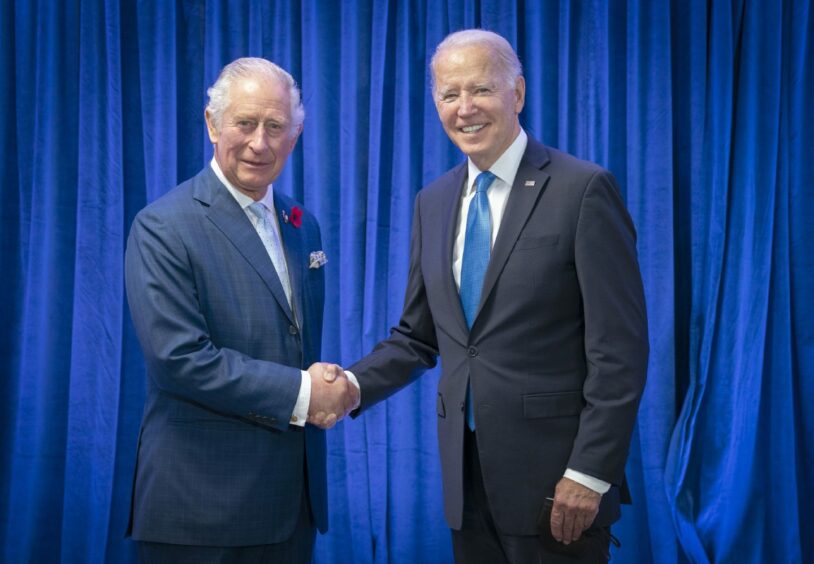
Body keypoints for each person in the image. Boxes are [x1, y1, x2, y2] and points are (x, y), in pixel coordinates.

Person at [347, 30, 648, 563]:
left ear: (518, 94)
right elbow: (419, 336)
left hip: (559, 488)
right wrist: (349, 386)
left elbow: (619, 351)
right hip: (467, 486)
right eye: (449, 94)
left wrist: (590, 472)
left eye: (481, 89)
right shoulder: (432, 201)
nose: (465, 109)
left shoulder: (583, 189)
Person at [124, 57, 358, 563]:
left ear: (294, 136)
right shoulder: (163, 226)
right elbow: (179, 360)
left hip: (292, 507)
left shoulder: (303, 224)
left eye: (275, 126)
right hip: (201, 512)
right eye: (245, 123)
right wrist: (304, 391)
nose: (260, 142)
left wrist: (324, 386)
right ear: (212, 124)